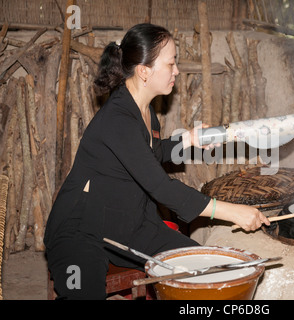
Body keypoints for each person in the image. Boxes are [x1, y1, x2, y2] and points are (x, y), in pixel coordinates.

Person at [44, 23, 270, 300]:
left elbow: (149, 153)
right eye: (171, 63)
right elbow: (161, 187)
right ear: (144, 71)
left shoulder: (143, 109)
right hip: (80, 232)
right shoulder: (118, 119)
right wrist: (233, 212)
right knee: (83, 293)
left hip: (128, 225)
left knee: (206, 269)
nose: (176, 71)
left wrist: (188, 139)